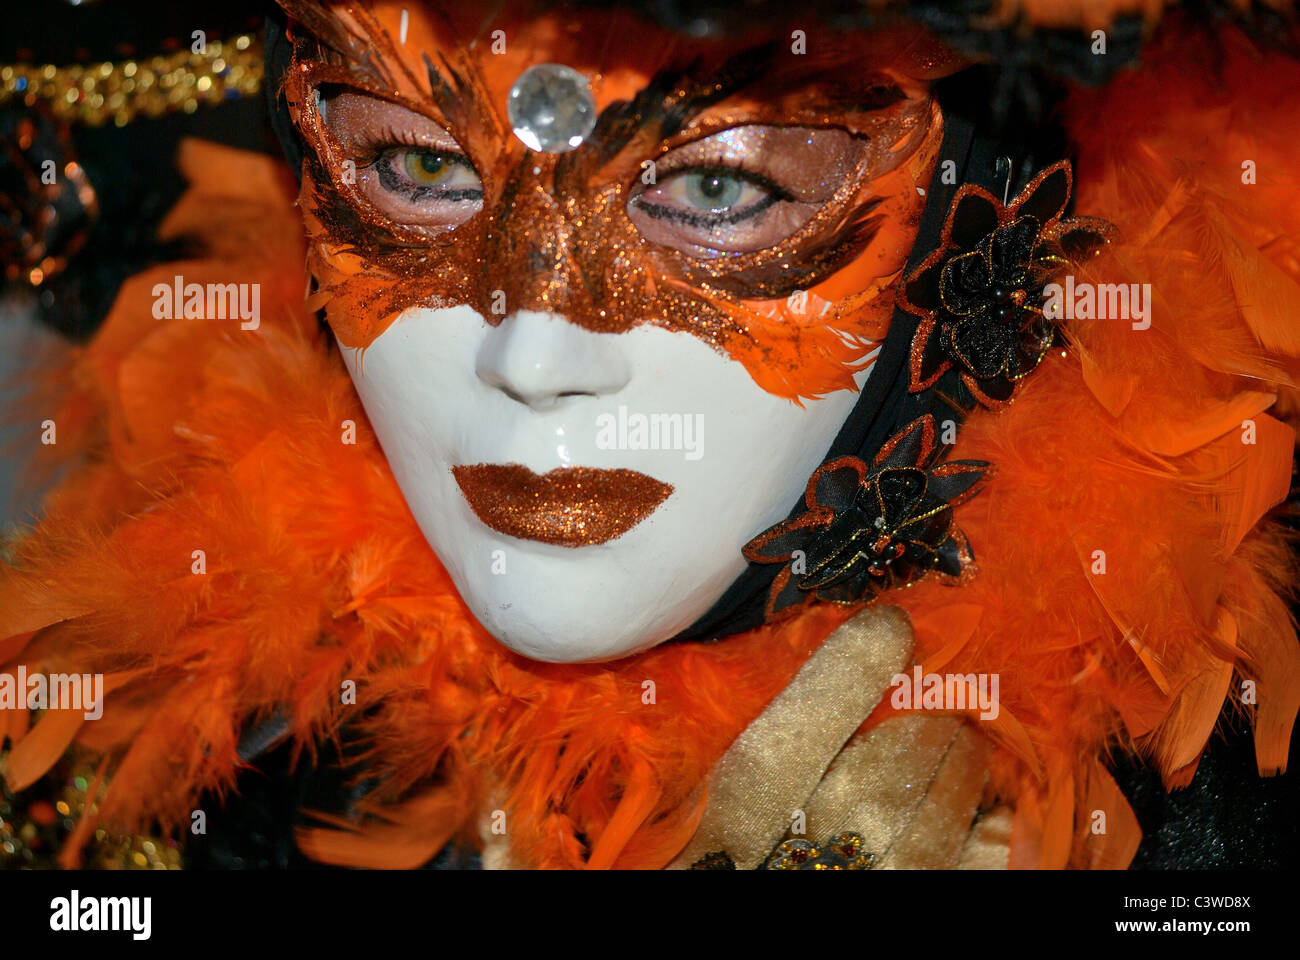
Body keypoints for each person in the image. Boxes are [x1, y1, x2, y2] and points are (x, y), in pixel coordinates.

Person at [1, 0, 1297, 870]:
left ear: (997, 212)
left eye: (717, 189)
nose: (533, 361)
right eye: (419, 172)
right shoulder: (185, 782)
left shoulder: (1221, 818)